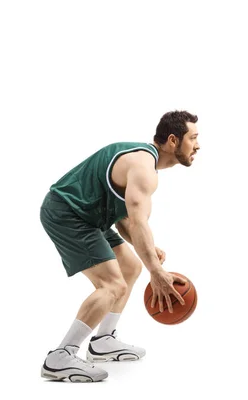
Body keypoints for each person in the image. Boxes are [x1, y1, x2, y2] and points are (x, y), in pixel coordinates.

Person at [39, 110, 200, 382]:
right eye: (193, 138)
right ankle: (61, 356)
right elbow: (137, 223)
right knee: (113, 286)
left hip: (90, 217)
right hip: (68, 213)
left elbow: (125, 219)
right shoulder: (143, 168)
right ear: (173, 140)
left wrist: (148, 251)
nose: (197, 145)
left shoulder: (141, 161)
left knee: (130, 266)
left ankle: (102, 341)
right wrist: (156, 271)